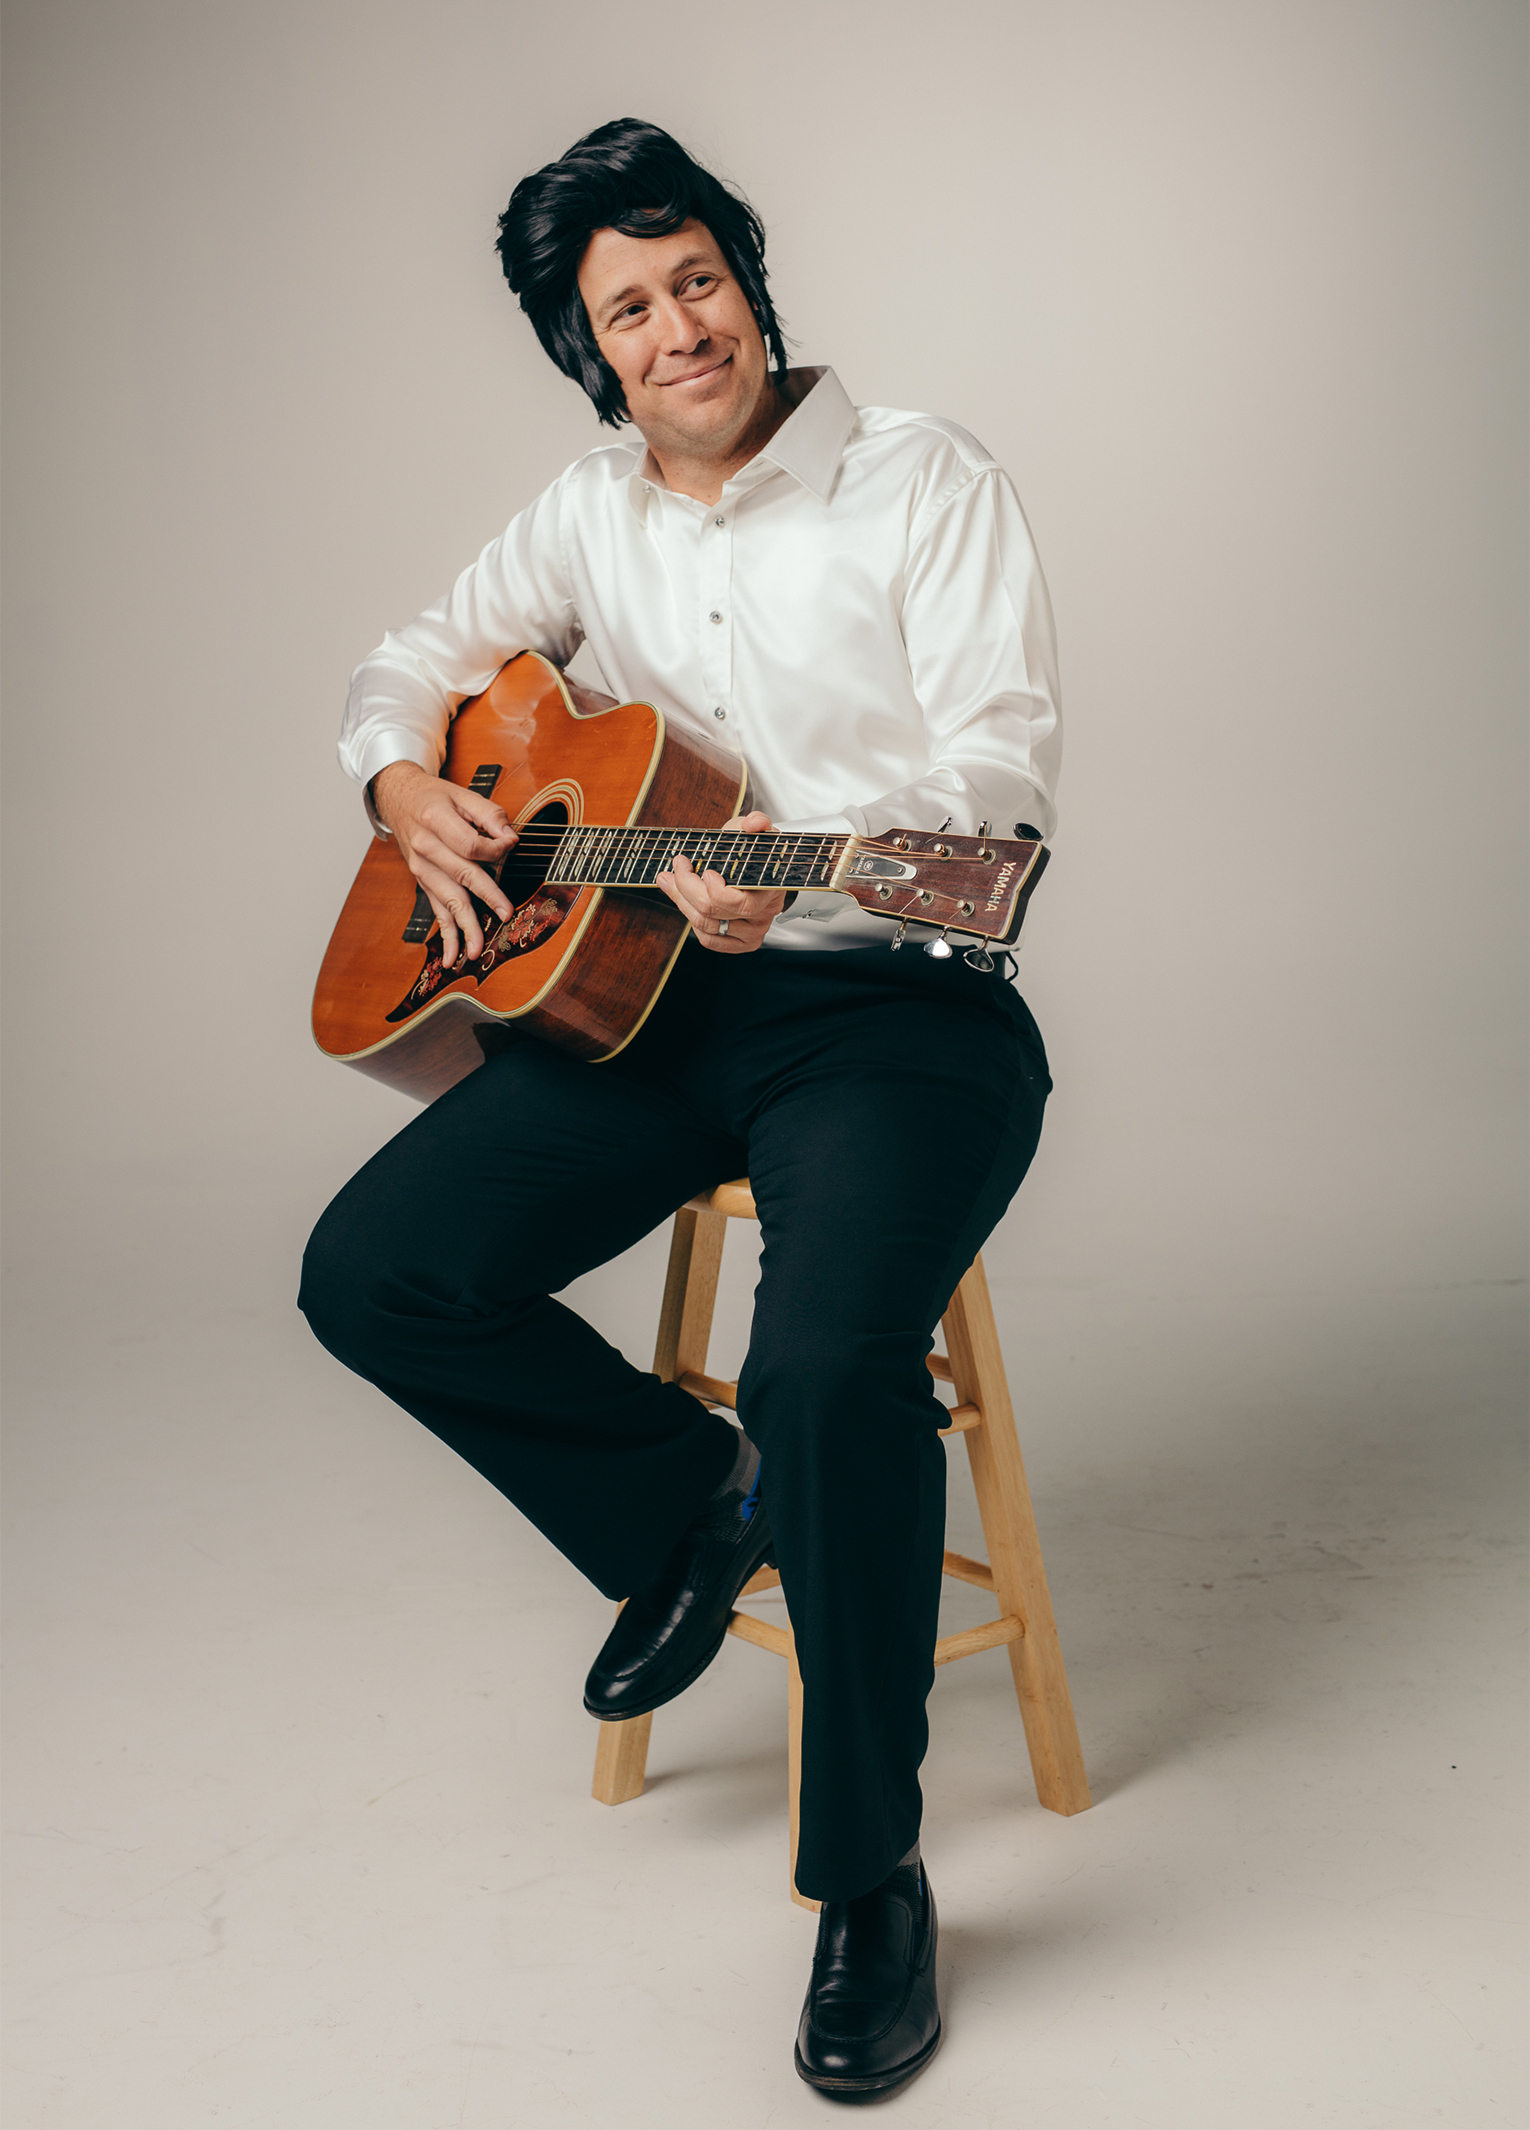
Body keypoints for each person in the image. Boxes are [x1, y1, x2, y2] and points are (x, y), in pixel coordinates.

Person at [299, 116, 1061, 2098]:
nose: (676, 327)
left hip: (902, 1011)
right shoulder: (586, 514)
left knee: (826, 1377)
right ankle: (689, 1513)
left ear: (750, 277)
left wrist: (796, 865)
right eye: (627, 309)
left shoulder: (923, 478)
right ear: (592, 349)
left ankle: (870, 1875)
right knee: (374, 1271)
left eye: (695, 276)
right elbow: (408, 666)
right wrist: (401, 786)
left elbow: (998, 797)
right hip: (665, 1012)